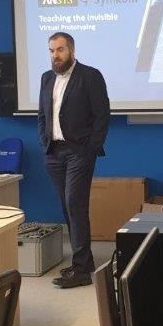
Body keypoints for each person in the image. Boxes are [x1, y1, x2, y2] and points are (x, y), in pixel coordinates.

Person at [38, 32, 110, 289]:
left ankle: (80, 270)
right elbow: (42, 114)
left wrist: (91, 148)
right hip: (53, 152)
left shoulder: (90, 76)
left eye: (60, 50)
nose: (55, 55)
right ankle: (84, 261)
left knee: (75, 203)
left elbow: (102, 115)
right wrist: (44, 142)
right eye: (51, 50)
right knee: (67, 206)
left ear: (71, 50)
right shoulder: (47, 78)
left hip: (79, 152)